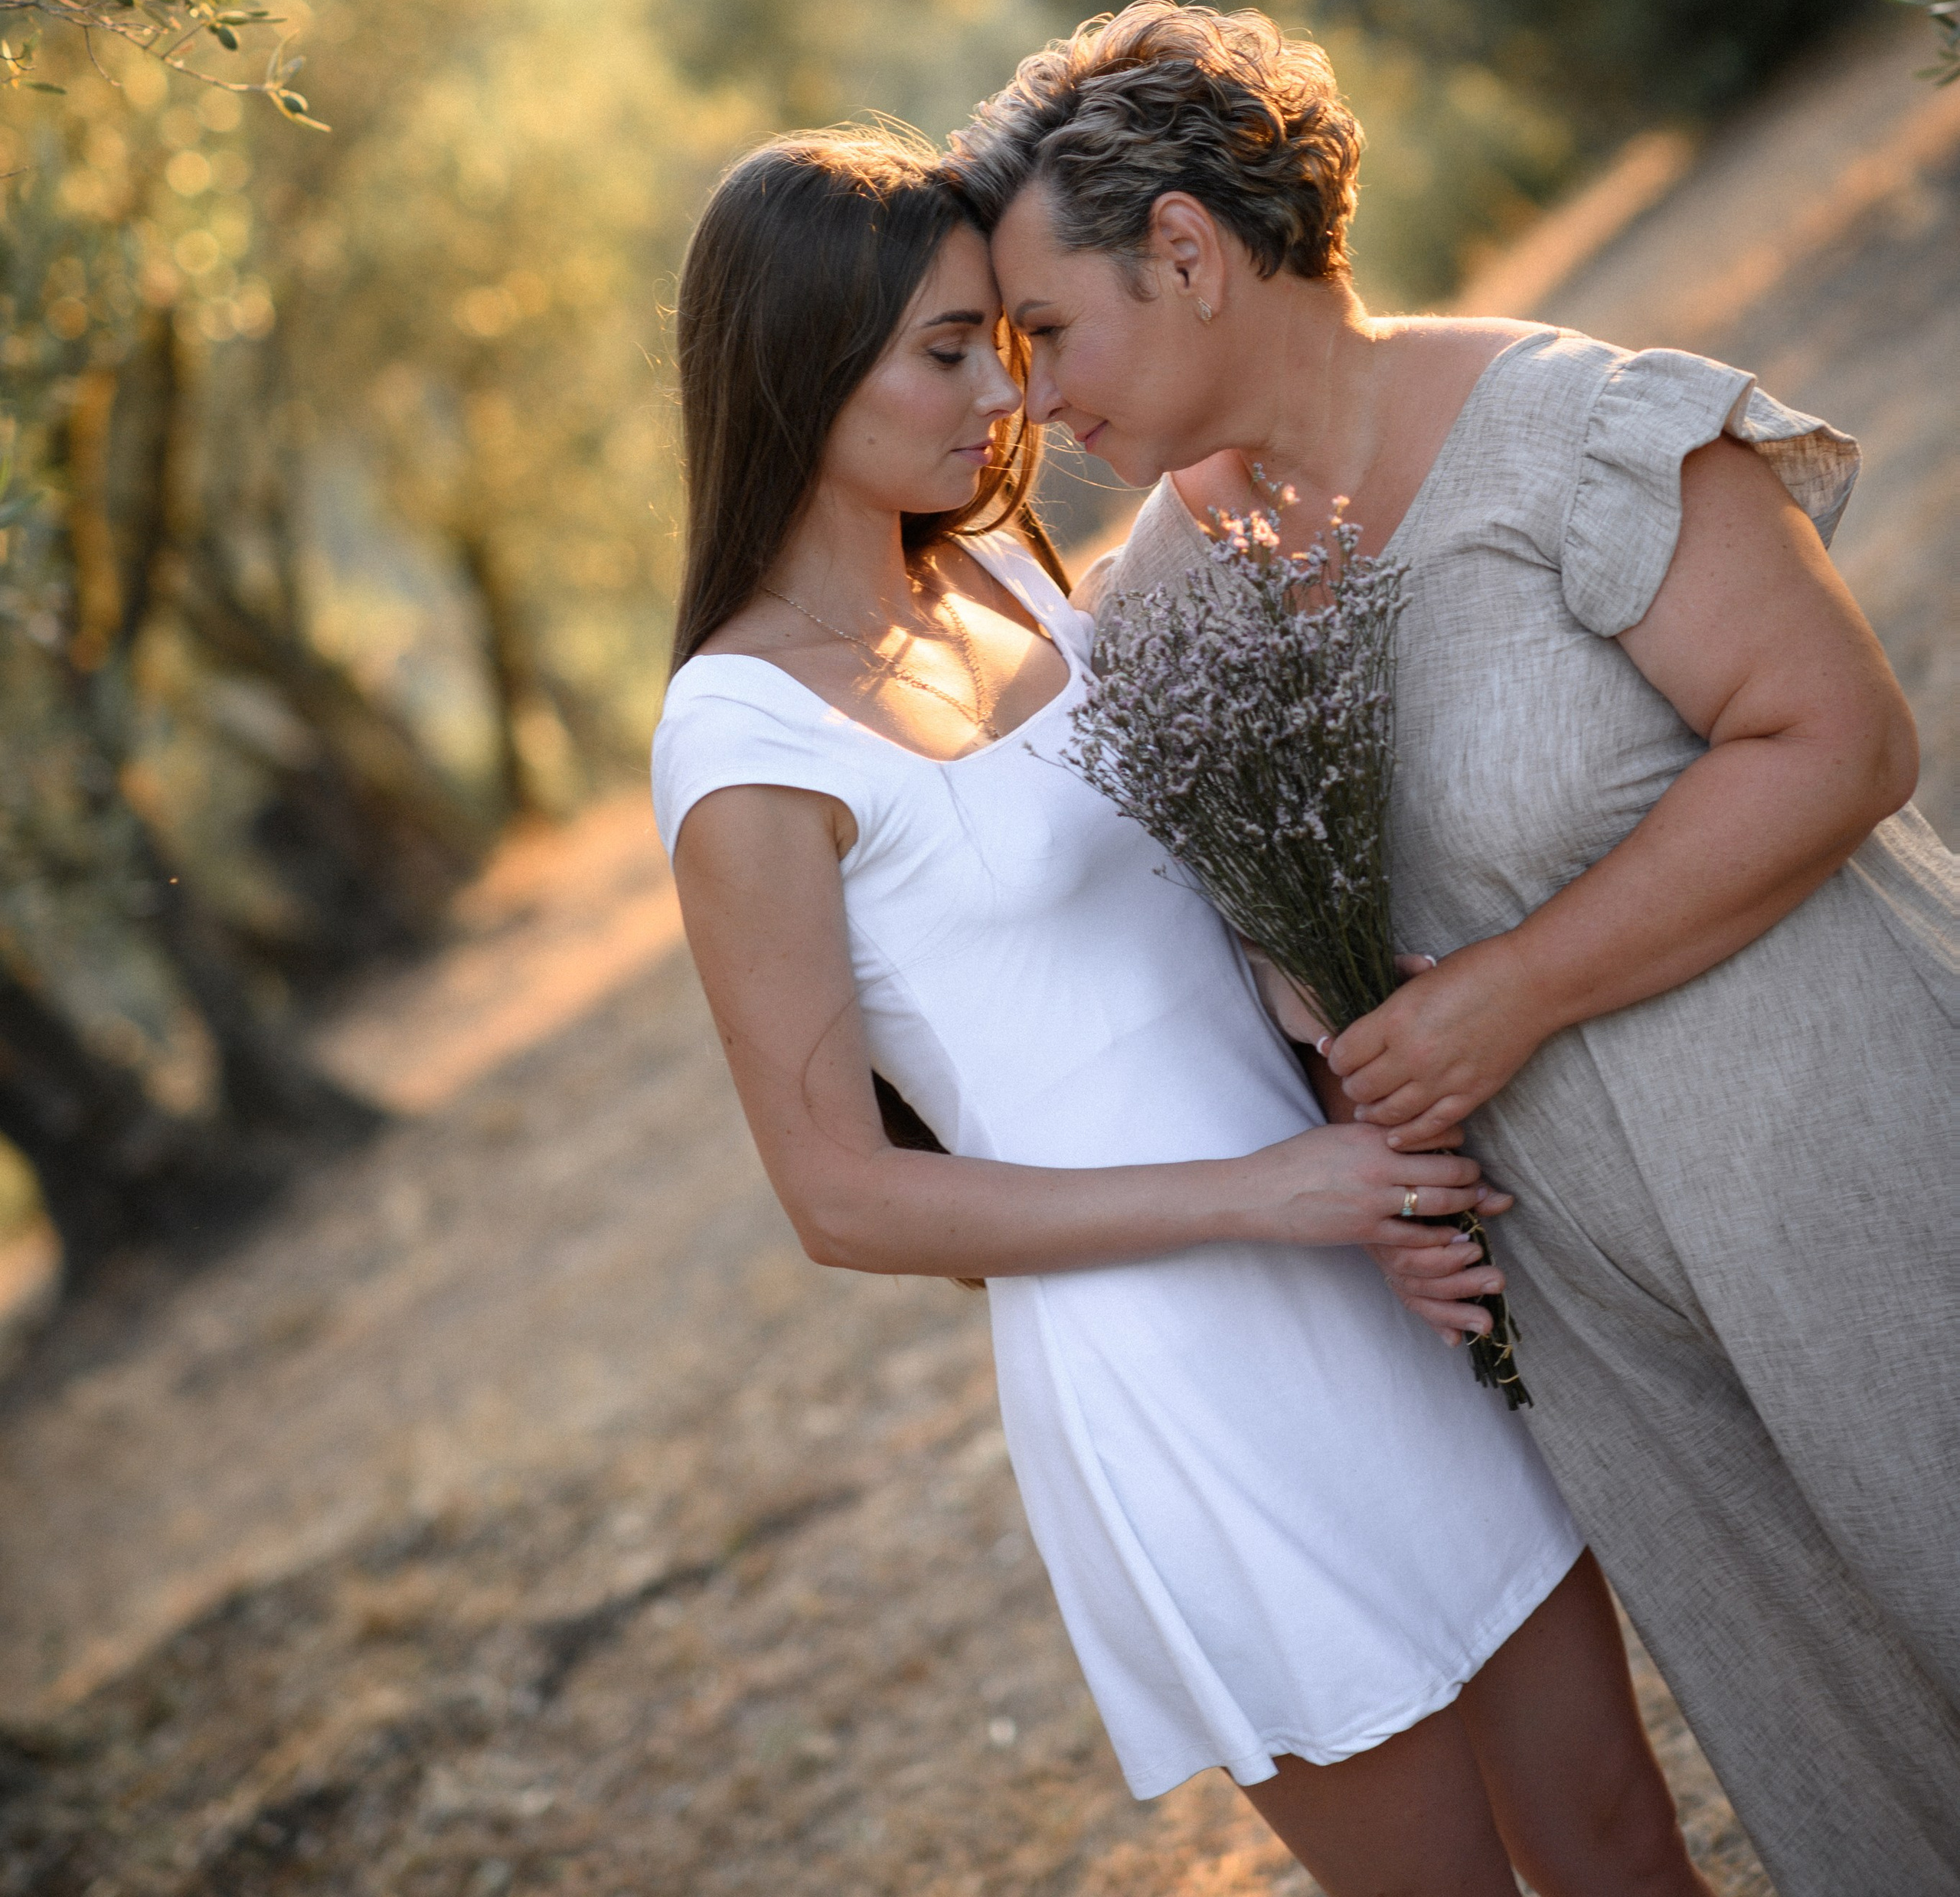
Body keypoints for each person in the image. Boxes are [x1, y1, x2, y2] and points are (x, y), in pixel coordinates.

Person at [950, 0, 1960, 1897]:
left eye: (1047, 332)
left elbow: (1840, 736)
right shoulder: (1158, 611)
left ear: (1184, 251)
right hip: (1590, 1314)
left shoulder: (1565, 428)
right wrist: (1361, 1133)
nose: (1029, 397)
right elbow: (1262, 967)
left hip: (1858, 1157)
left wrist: (1512, 988)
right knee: (1835, 1734)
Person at [652, 124, 1713, 1897]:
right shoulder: (738, 733)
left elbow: (1182, 921)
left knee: (1618, 1838)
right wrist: (1263, 1196)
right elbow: (841, 1196)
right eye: (942, 351)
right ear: (794, 363)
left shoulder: (1001, 581)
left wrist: (1344, 1100)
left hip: (1370, 1273)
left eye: (1005, 334)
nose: (1001, 391)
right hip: (1178, 1381)